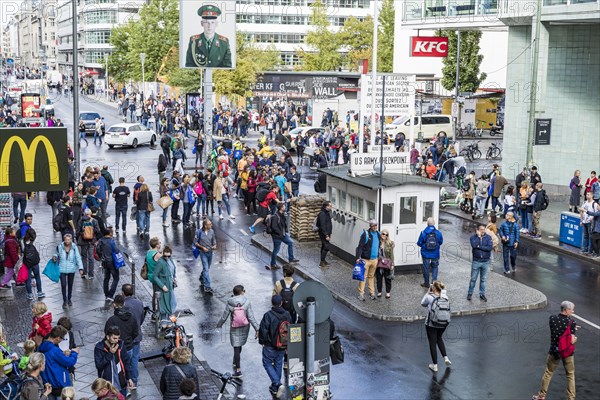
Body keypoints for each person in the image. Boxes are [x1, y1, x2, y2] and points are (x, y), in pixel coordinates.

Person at [531, 301, 577, 400]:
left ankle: (541, 396)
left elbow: (558, 329)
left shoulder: (552, 318)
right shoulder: (572, 322)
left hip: (554, 351)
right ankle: (571, 398)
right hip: (567, 352)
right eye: (572, 309)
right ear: (567, 310)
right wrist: (574, 335)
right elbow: (572, 340)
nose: (573, 311)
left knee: (548, 373)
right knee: (570, 375)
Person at [216, 285, 259, 378]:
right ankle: (236, 362)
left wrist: (219, 325)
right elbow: (251, 317)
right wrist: (257, 328)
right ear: (242, 292)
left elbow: (224, 316)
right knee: (239, 345)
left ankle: (238, 369)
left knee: (236, 346)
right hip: (244, 326)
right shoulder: (246, 302)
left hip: (234, 327)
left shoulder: (230, 303)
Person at [258, 295, 292, 398]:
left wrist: (262, 342)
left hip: (270, 345)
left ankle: (277, 383)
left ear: (272, 303)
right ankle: (275, 387)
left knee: (267, 363)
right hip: (282, 345)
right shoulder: (287, 314)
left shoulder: (268, 315)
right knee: (278, 363)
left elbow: (263, 330)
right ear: (281, 303)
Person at [104, 294, 140, 382]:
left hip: (117, 349)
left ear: (114, 304)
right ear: (124, 304)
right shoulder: (132, 317)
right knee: (129, 365)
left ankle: (123, 384)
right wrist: (129, 339)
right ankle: (132, 381)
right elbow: (136, 332)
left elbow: (106, 334)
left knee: (119, 369)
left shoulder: (112, 320)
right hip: (129, 346)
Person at [39, 326, 79, 399]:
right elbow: (69, 362)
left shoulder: (41, 347)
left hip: (47, 384)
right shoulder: (54, 350)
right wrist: (74, 353)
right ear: (58, 338)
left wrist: (62, 353)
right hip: (59, 384)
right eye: (62, 338)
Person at [94, 326, 133, 398]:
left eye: (118, 338)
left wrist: (129, 377)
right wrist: (110, 353)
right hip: (106, 386)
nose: (117, 340)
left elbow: (126, 362)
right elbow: (99, 365)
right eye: (114, 338)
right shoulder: (99, 348)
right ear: (108, 337)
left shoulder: (121, 345)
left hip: (121, 384)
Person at [421, 281, 451, 372]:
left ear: (433, 288)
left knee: (432, 343)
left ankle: (435, 365)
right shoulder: (445, 297)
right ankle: (445, 357)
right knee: (439, 338)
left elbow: (422, 303)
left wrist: (427, 292)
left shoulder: (430, 297)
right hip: (444, 323)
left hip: (432, 323)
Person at [52, 234, 84, 309]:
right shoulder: (60, 246)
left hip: (71, 269)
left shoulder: (74, 247)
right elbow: (56, 253)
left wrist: (80, 268)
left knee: (70, 285)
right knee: (63, 285)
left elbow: (78, 257)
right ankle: (64, 300)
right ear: (64, 240)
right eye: (66, 240)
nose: (67, 241)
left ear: (71, 240)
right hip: (62, 268)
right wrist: (54, 256)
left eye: (69, 240)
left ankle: (69, 299)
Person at [122, 284, 143, 389]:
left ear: (123, 292)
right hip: (137, 335)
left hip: (128, 337)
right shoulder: (139, 302)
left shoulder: (124, 305)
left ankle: (128, 380)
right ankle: (134, 381)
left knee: (127, 359)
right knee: (135, 359)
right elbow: (142, 317)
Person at [355, 220, 381, 301]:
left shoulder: (378, 234)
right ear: (370, 226)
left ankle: (372, 293)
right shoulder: (365, 234)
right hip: (365, 260)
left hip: (374, 260)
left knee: (371, 276)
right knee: (363, 277)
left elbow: (382, 243)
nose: (375, 227)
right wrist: (358, 258)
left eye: (376, 225)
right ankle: (361, 294)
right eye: (373, 226)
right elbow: (360, 246)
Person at [268, 203, 299, 270]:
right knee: (276, 250)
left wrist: (285, 231)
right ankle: (273, 264)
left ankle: (291, 259)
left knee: (291, 242)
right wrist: (280, 234)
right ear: (281, 208)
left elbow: (283, 224)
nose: (285, 207)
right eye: (284, 206)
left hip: (283, 235)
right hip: (277, 236)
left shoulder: (282, 215)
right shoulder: (275, 216)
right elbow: (274, 227)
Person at [467, 224, 493, 302]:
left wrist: (479, 246)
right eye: (481, 229)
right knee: (473, 279)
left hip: (485, 262)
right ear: (477, 230)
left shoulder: (488, 238)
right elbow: (474, 245)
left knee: (483, 279)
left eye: (484, 229)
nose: (483, 231)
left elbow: (489, 248)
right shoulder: (473, 238)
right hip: (476, 261)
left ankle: (482, 294)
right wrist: (479, 238)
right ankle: (470, 293)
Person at [416, 218, 444, 289]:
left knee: (426, 268)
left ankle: (426, 283)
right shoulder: (438, 232)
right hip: (435, 254)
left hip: (426, 254)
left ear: (427, 224)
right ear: (434, 224)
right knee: (435, 267)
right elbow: (440, 242)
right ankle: (434, 282)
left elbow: (419, 243)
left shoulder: (423, 233)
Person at [152, 246, 177, 320]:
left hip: (170, 285)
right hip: (164, 286)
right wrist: (162, 286)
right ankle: (164, 323)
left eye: (168, 256)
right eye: (165, 256)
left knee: (171, 303)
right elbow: (155, 276)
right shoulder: (160, 262)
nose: (166, 257)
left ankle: (168, 323)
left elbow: (173, 270)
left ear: (171, 254)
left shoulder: (170, 259)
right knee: (164, 305)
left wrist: (174, 278)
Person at [97, 228, 121, 302]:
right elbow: (116, 250)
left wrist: (101, 257)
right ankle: (110, 294)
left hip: (105, 262)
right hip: (112, 262)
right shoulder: (111, 241)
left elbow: (98, 250)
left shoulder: (100, 241)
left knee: (106, 278)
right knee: (116, 278)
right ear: (110, 233)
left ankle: (106, 294)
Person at [194, 219, 217, 294]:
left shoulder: (212, 231)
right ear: (205, 225)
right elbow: (195, 242)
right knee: (206, 269)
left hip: (210, 252)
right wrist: (202, 248)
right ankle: (207, 287)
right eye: (210, 224)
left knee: (207, 268)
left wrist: (214, 246)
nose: (211, 225)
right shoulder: (198, 232)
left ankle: (202, 276)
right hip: (202, 253)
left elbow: (214, 241)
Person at [77, 209, 101, 280]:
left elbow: (78, 230)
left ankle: (84, 273)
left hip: (83, 241)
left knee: (84, 257)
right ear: (90, 214)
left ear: (84, 214)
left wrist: (78, 238)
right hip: (91, 241)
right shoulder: (94, 221)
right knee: (91, 258)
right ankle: (91, 274)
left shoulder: (81, 220)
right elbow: (98, 230)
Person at [23, 228, 44, 300]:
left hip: (27, 263)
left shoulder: (24, 241)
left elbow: (23, 251)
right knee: (37, 277)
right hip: (35, 262)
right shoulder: (34, 241)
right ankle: (40, 292)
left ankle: (30, 294)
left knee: (28, 279)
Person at [376, 228, 395, 299]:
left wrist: (392, 264)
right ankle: (379, 291)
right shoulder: (377, 242)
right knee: (379, 278)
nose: (384, 235)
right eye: (383, 234)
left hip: (387, 263)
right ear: (381, 234)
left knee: (388, 278)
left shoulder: (389, 243)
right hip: (379, 263)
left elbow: (391, 255)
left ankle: (388, 292)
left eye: (386, 234)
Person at [317, 201, 333, 268]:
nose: (331, 207)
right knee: (326, 247)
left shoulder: (326, 213)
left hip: (327, 233)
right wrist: (326, 235)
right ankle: (322, 262)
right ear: (326, 206)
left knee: (324, 246)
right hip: (323, 233)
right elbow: (322, 225)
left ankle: (323, 260)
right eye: (330, 206)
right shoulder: (322, 214)